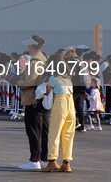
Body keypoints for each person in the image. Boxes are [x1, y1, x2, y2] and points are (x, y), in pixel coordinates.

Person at [16, 35, 49, 171]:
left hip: (33, 99)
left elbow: (30, 81)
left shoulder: (35, 61)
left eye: (28, 45)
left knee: (33, 130)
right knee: (44, 130)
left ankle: (34, 159)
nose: (27, 48)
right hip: (44, 99)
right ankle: (44, 159)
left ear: (32, 46)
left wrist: (19, 82)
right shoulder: (44, 59)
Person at [41, 65, 76, 172]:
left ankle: (52, 161)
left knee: (54, 133)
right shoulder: (69, 81)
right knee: (68, 135)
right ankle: (66, 162)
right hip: (71, 105)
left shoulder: (53, 78)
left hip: (60, 104)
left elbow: (47, 91)